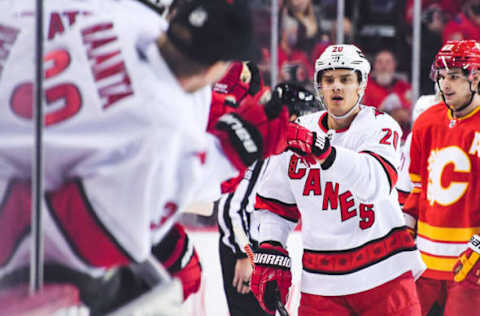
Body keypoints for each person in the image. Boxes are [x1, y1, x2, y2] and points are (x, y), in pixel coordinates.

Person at [0, 0, 291, 314]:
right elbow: (97, 238)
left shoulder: (127, 17)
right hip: (19, 223)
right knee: (172, 276)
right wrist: (229, 152)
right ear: (217, 67)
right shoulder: (161, 125)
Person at [249, 44, 426, 316]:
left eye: (345, 79)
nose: (336, 87)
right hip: (321, 285)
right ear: (319, 87)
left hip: (385, 278)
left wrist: (323, 151)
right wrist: (272, 247)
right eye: (328, 80)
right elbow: (274, 205)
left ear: (361, 85)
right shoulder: (298, 132)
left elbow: (374, 184)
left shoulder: (380, 126)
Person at [215, 68, 322, 316]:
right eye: (305, 119)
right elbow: (231, 206)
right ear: (292, 116)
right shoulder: (264, 146)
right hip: (243, 251)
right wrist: (246, 256)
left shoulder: (278, 149)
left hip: (252, 249)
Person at [403, 39, 480, 315]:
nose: (445, 85)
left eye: (455, 77)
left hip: (470, 265)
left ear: (476, 77)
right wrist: (403, 238)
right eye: (442, 76)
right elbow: (416, 190)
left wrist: (479, 248)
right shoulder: (426, 121)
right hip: (424, 263)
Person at [362, 49, 413, 140]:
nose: (384, 66)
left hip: (401, 140)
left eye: (388, 62)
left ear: (394, 65)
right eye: (380, 62)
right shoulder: (364, 87)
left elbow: (406, 116)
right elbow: (364, 117)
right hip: (372, 138)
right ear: (374, 65)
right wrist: (391, 113)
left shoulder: (404, 87)